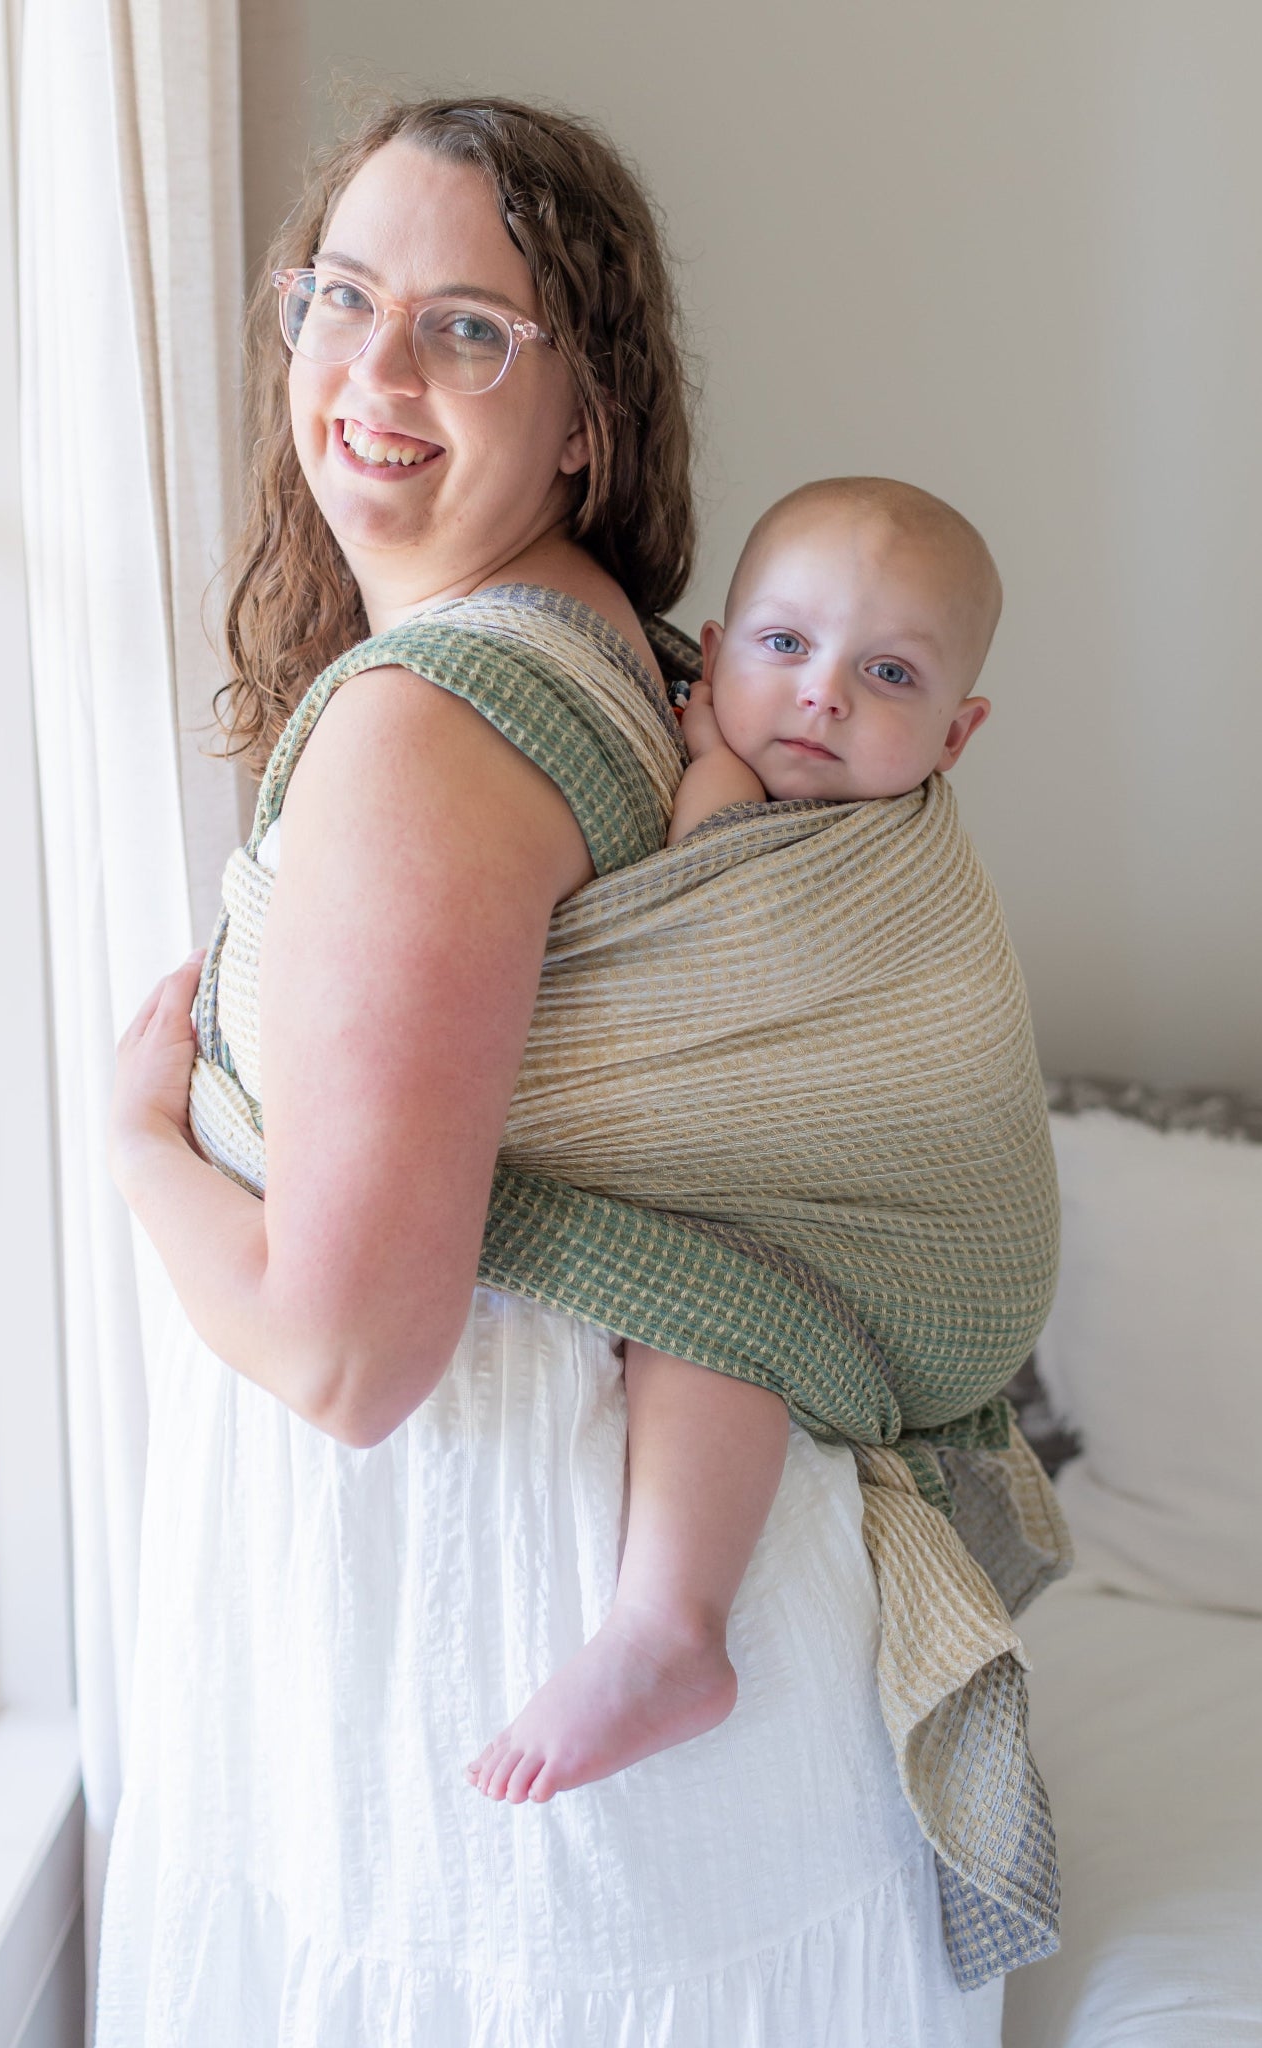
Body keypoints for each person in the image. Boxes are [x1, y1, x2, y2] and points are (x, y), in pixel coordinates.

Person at [99, 92, 1009, 2043]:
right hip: (678, 1651)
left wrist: (136, 1136)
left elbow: (350, 1357)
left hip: (500, 1675)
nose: (372, 365)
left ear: (583, 413)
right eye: (339, 295)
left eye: (465, 324)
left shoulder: (432, 731)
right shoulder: (615, 643)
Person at [464, 474, 1002, 1806]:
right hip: (797, 1182)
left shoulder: (884, 851)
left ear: (955, 736)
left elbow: (711, 922)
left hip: (886, 1232)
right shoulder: (770, 789)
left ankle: (669, 1629)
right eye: (784, 647)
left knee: (709, 1309)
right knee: (716, 1282)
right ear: (713, 657)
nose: (823, 695)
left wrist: (711, 762)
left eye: (887, 672)